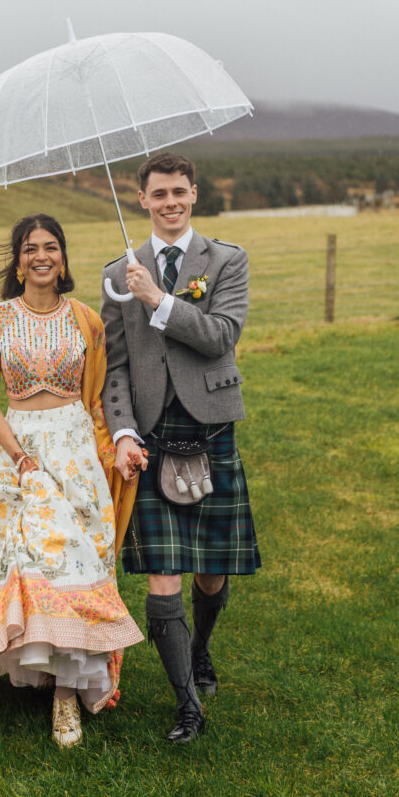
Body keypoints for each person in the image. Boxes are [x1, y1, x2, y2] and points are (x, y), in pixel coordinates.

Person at [0, 214, 143, 748]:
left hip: (74, 450)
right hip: (17, 449)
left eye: (51, 247)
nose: (41, 256)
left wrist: (115, 446)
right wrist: (19, 455)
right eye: (30, 248)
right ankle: (39, 668)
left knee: (75, 560)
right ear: (18, 260)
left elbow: (100, 393)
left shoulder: (87, 319)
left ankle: (66, 694)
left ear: (64, 258)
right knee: (21, 559)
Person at [101, 153, 261, 744]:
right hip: (152, 439)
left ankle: (200, 649)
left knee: (213, 574)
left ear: (194, 194)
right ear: (141, 200)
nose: (170, 202)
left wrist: (159, 302)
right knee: (162, 576)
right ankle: (187, 705)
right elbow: (116, 366)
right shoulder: (119, 270)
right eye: (159, 193)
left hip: (211, 428)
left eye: (179, 192)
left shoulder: (226, 260)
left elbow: (222, 335)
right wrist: (121, 431)